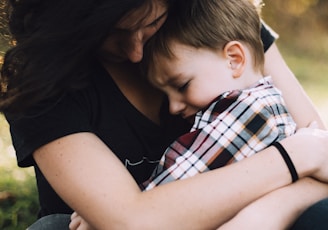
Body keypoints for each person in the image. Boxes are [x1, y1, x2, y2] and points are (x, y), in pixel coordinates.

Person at [0, 0, 328, 229]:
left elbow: (324, 166)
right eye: (110, 33)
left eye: (151, 23)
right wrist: (295, 156)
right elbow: (129, 221)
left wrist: (269, 211)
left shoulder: (217, 24)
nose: (135, 53)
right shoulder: (39, 79)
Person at [140, 0, 297, 191]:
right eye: (165, 95)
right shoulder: (266, 102)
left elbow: (167, 191)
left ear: (234, 60)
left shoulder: (250, 111)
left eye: (182, 86)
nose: (173, 107)